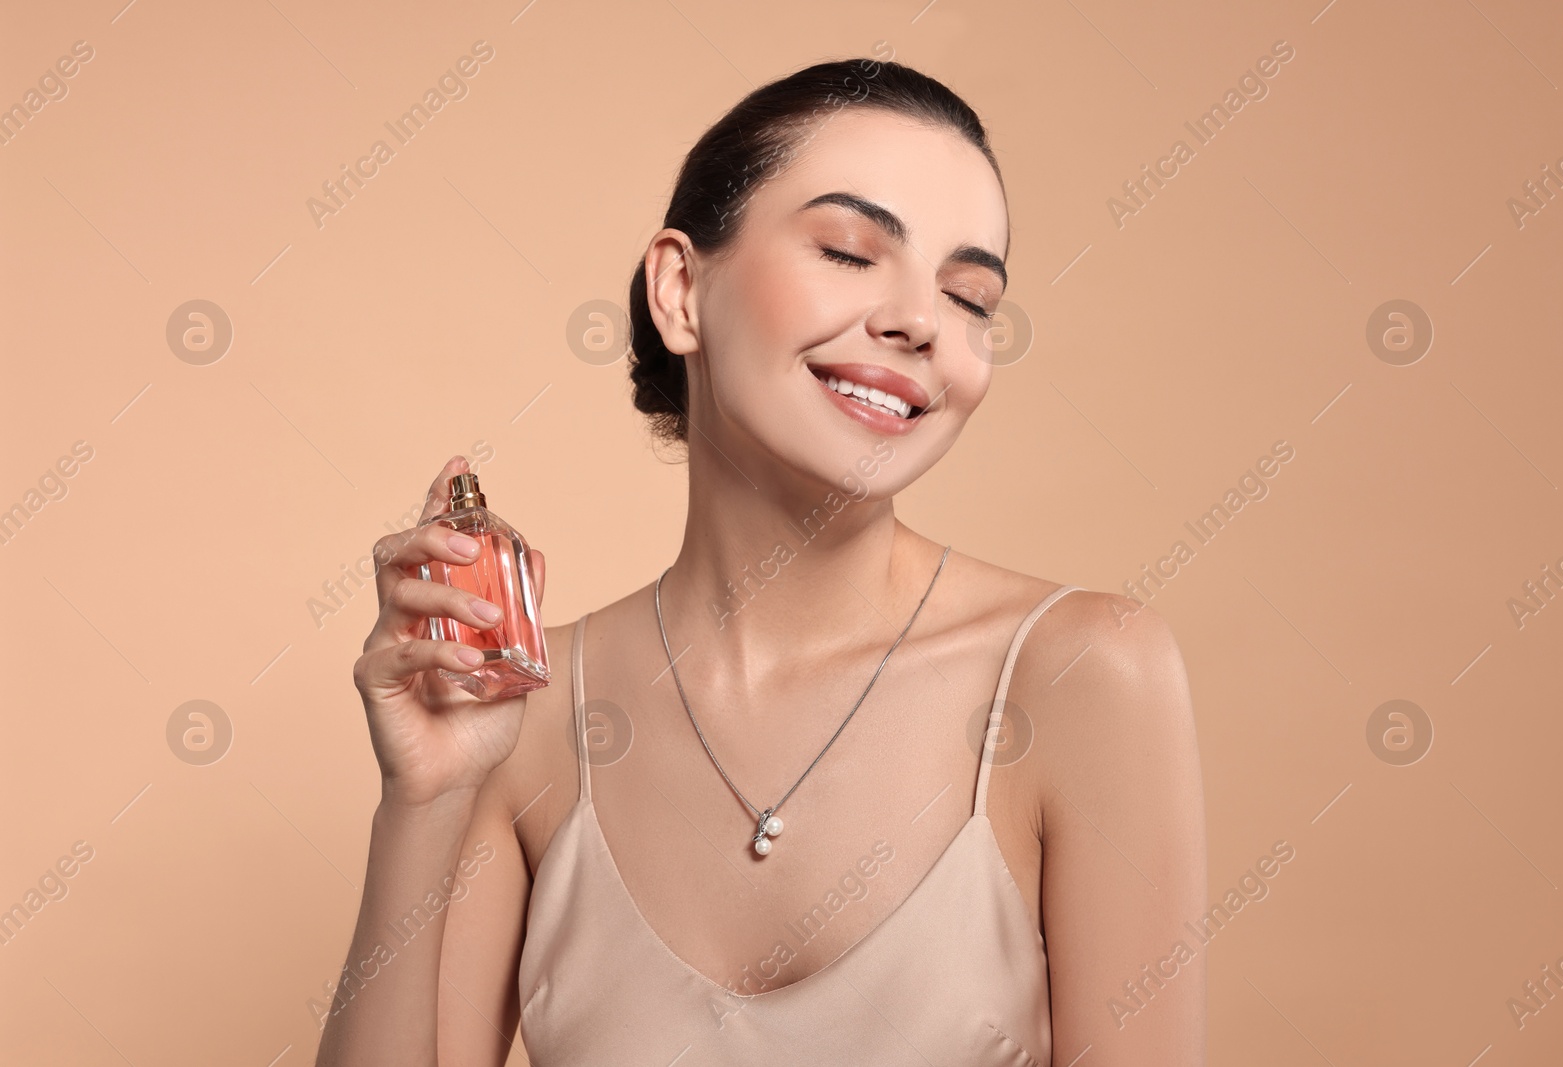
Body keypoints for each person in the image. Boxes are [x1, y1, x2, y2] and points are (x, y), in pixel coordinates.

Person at [318, 57, 1205, 1067]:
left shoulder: (1085, 670)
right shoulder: (522, 713)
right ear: (681, 289)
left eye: (969, 297)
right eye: (848, 250)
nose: (920, 320)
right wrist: (422, 803)